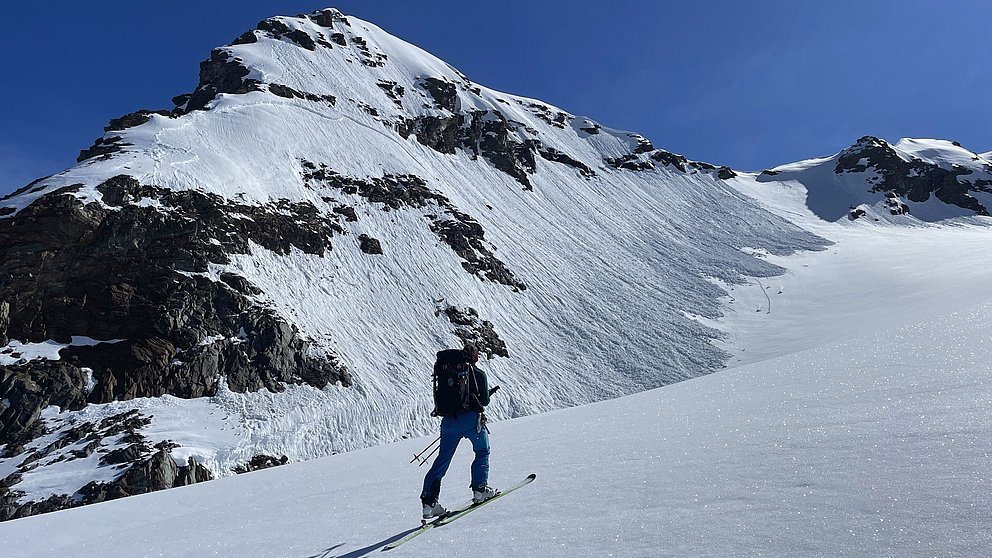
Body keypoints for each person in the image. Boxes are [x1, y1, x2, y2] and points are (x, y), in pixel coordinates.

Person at [420, 344, 499, 519]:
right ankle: (480, 490)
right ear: (475, 357)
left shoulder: (447, 371)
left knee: (442, 460)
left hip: (449, 421)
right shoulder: (478, 374)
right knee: (482, 451)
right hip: (472, 420)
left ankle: (429, 503)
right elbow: (484, 401)